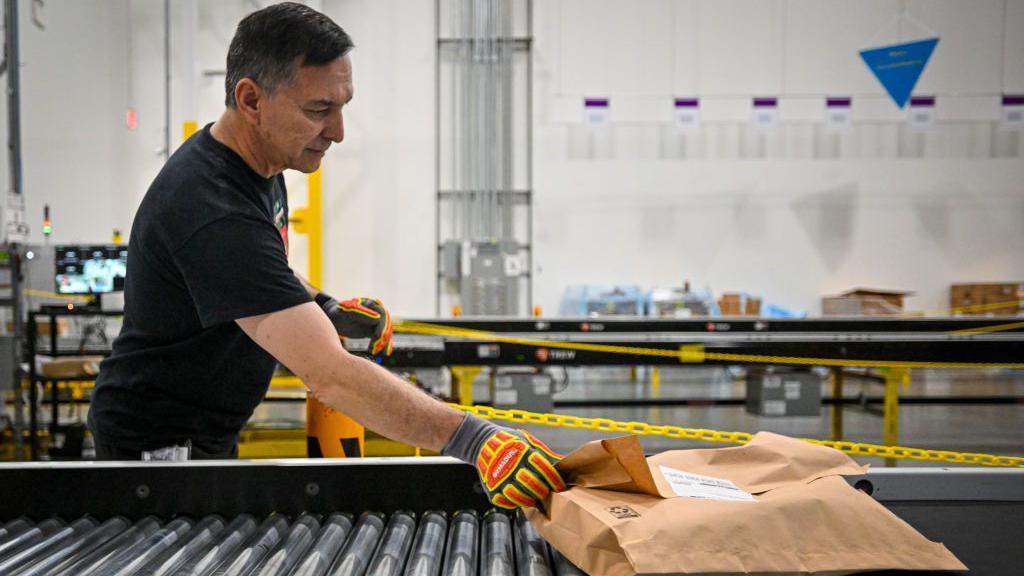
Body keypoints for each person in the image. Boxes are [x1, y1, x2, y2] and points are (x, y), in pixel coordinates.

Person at [87, 2, 564, 510]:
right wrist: (476, 441)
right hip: (156, 446)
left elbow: (260, 267)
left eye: (342, 106)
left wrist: (326, 306)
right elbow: (330, 375)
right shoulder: (211, 205)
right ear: (251, 99)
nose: (338, 131)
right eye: (318, 110)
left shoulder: (260, 166)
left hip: (205, 429)